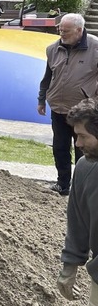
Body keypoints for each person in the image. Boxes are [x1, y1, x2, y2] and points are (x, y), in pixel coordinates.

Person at [38, 13, 98, 196]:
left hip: (84, 111)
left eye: (66, 31)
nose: (61, 34)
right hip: (58, 108)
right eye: (60, 30)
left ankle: (83, 188)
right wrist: (41, 99)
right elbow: (47, 77)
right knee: (60, 148)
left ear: (79, 30)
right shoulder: (53, 49)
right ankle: (63, 184)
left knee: (84, 150)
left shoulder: (96, 47)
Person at [56, 97, 98, 304]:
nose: (78, 144)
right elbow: (77, 219)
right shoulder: (85, 168)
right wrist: (69, 266)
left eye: (83, 136)